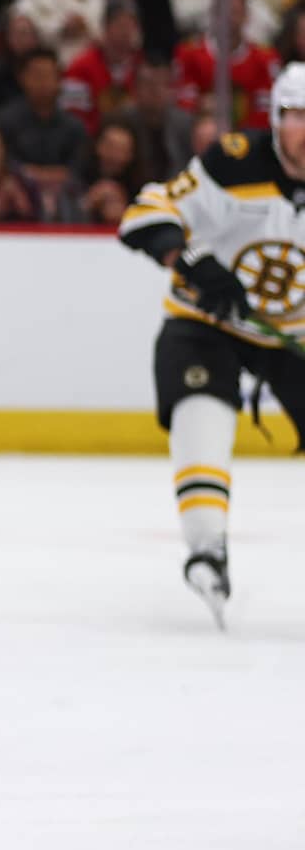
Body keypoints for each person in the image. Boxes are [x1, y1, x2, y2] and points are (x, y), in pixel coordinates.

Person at [117, 62, 305, 626]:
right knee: (202, 410)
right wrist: (194, 263)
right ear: (276, 119)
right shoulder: (234, 162)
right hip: (206, 322)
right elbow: (146, 211)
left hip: (289, 338)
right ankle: (207, 549)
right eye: (298, 116)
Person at [0, 47, 90, 221]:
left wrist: (34, 174)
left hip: (65, 200)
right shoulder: (5, 121)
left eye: (48, 75)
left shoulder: (73, 126)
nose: (43, 82)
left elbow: (77, 170)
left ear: (58, 80)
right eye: (37, 75)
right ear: (22, 78)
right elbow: (4, 165)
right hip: (19, 200)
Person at [174, 0, 281, 130]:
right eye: (222, 12)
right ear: (213, 15)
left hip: (250, 138)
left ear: (246, 16)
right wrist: (202, 108)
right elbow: (183, 106)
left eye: (235, 12)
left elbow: (266, 112)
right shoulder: (189, 54)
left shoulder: (265, 59)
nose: (228, 19)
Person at [62, 0, 142, 137]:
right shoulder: (79, 67)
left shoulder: (143, 64)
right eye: (121, 25)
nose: (126, 32)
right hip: (92, 141)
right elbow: (73, 116)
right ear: (105, 27)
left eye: (131, 26)